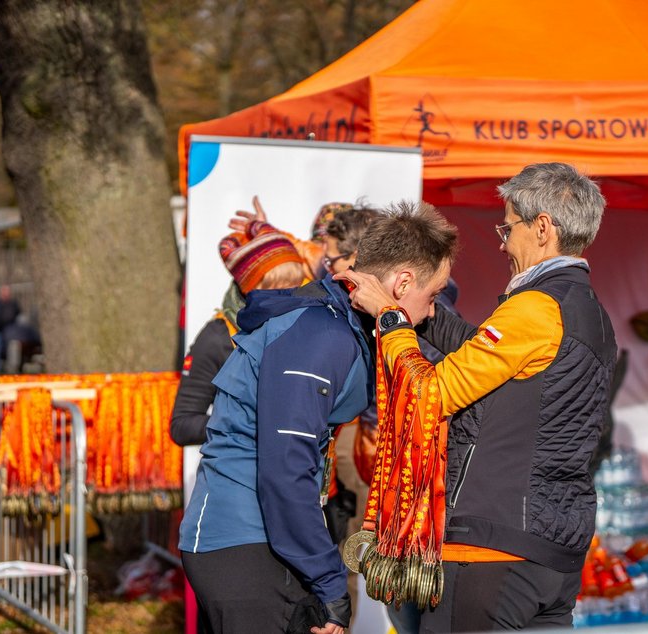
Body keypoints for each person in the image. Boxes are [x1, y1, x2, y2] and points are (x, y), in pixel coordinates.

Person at [339, 162, 617, 631]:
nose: (502, 242)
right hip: (553, 553)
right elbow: (493, 361)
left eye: (508, 228)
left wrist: (391, 318)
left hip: (492, 548)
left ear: (543, 228)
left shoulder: (536, 307)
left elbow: (430, 394)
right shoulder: (586, 309)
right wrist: (424, 310)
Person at [178, 201, 457, 634]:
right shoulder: (319, 334)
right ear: (402, 281)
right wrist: (329, 584)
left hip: (276, 540)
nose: (435, 310)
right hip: (243, 542)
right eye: (434, 295)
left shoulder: (342, 322)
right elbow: (285, 468)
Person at [169, 218, 306, 447]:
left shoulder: (303, 323)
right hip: (241, 473)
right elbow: (182, 425)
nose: (291, 296)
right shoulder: (218, 337)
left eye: (296, 285)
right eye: (280, 288)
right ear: (250, 288)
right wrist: (246, 423)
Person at [0, 285, 20, 374]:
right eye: (4, 292)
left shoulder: (13, 303)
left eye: (8, 292)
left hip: (10, 333)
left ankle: (10, 372)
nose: (6, 294)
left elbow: (15, 315)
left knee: (9, 355)